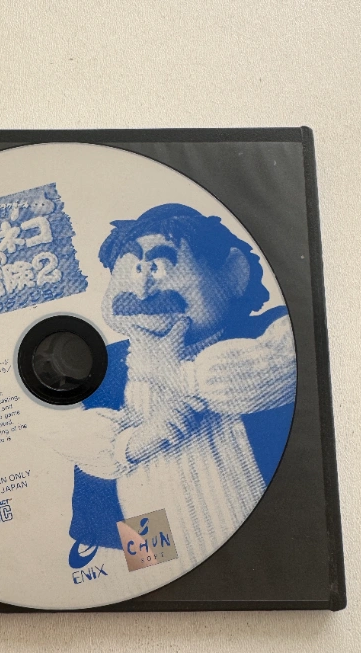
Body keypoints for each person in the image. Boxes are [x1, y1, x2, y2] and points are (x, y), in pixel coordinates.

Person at [49, 204, 296, 570]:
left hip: (256, 512)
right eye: (128, 269)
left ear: (233, 274)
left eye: (161, 266)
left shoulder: (268, 332)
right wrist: (139, 440)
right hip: (148, 520)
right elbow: (74, 435)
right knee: (160, 576)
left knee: (265, 560)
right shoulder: (104, 363)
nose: (142, 287)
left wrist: (171, 372)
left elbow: (272, 371)